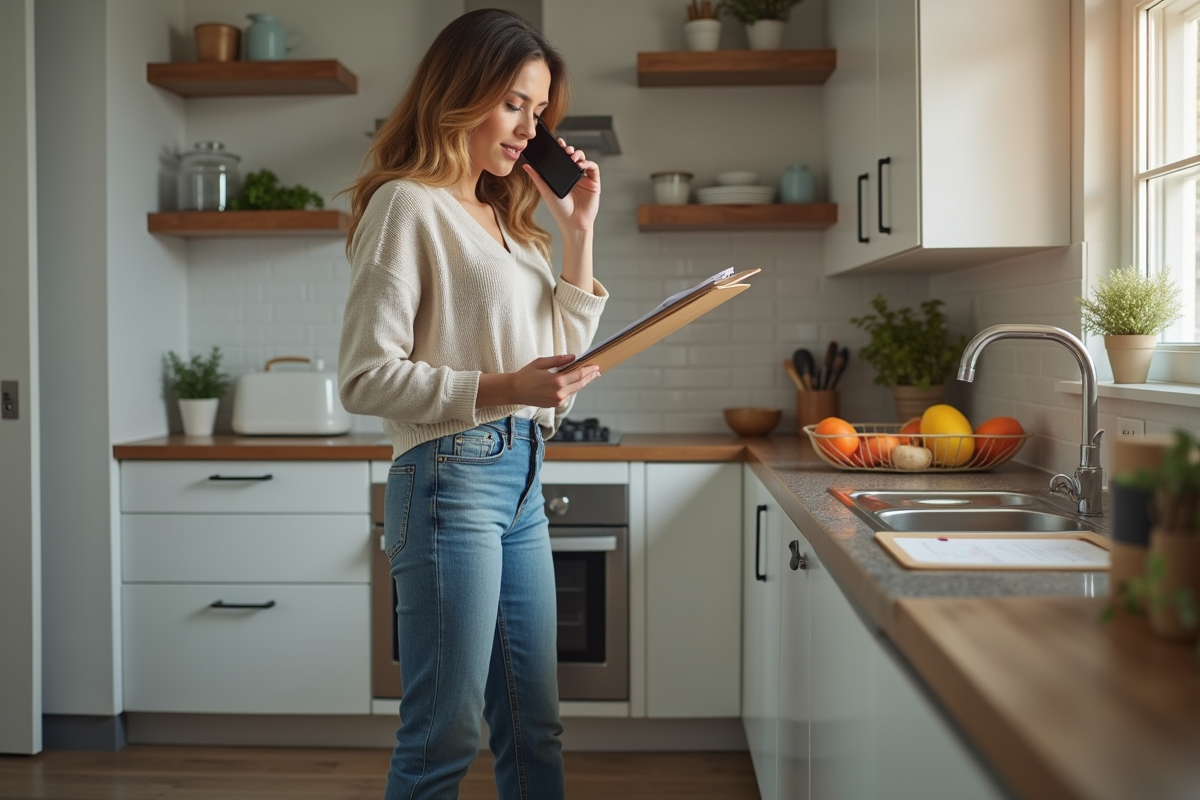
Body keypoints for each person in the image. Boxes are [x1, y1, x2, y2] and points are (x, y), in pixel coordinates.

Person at [336, 9, 606, 800]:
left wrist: (578, 232)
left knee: (533, 725)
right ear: (460, 92)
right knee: (442, 735)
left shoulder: (512, 226)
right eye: (514, 103)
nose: (529, 128)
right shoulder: (406, 206)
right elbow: (365, 378)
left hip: (521, 479)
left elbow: (561, 350)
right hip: (449, 479)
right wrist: (506, 387)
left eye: (539, 111)